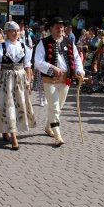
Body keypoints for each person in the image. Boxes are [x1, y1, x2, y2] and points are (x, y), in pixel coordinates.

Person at [34, 17, 85, 147]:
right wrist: (52, 67)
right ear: (50, 28)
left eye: (62, 27)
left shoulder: (69, 42)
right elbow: (38, 62)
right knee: (54, 106)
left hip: (65, 79)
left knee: (58, 107)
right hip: (49, 80)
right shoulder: (43, 43)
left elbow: (77, 58)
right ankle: (58, 136)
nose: (60, 29)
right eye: (57, 26)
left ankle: (48, 127)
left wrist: (80, 71)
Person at [0, 21, 36, 150]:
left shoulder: (24, 47)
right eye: (12, 30)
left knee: (18, 105)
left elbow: (28, 66)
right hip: (6, 80)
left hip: (20, 80)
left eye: (17, 30)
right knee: (8, 105)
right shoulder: (0, 47)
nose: (15, 33)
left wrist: (29, 81)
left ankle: (6, 131)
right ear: (7, 32)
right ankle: (14, 137)